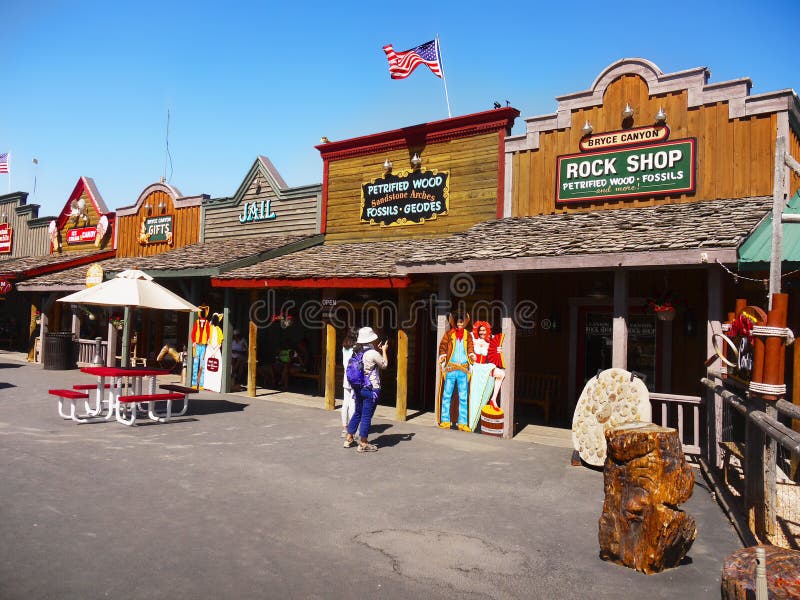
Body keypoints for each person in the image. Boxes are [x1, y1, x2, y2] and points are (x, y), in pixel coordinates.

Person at [344, 327, 388, 453]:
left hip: (358, 387)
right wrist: (384, 350)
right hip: (371, 388)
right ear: (371, 339)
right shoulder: (373, 353)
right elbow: (384, 365)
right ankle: (363, 443)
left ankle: (349, 438)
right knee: (366, 416)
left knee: (358, 412)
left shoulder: (356, 351)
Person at [438, 313, 476, 432]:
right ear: (454, 322)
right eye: (458, 322)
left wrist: (471, 354)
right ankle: (445, 421)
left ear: (464, 323)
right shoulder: (449, 334)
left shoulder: (468, 335)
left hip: (463, 369)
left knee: (463, 397)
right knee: (447, 395)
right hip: (451, 368)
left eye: (461, 322)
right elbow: (443, 346)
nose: (460, 324)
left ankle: (462, 423)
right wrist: (443, 355)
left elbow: (470, 347)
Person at [472, 321, 506, 410]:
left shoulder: (491, 340)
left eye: (484, 330)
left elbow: (496, 347)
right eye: (480, 330)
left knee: (501, 374)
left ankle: (493, 399)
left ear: (487, 330)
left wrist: (498, 350)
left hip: (485, 366)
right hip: (474, 366)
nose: (482, 332)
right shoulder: (473, 339)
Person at [340, 328, 357, 438]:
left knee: (345, 402)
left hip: (346, 376)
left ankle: (344, 428)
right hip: (354, 377)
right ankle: (352, 428)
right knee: (352, 403)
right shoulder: (355, 348)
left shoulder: (344, 347)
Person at [190, 305, 211, 388]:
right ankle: (194, 383)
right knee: (195, 364)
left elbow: (209, 333)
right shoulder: (197, 322)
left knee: (202, 365)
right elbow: (193, 333)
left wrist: (208, 341)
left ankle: (201, 384)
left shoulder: (207, 323)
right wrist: (194, 342)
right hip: (197, 346)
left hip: (203, 346)